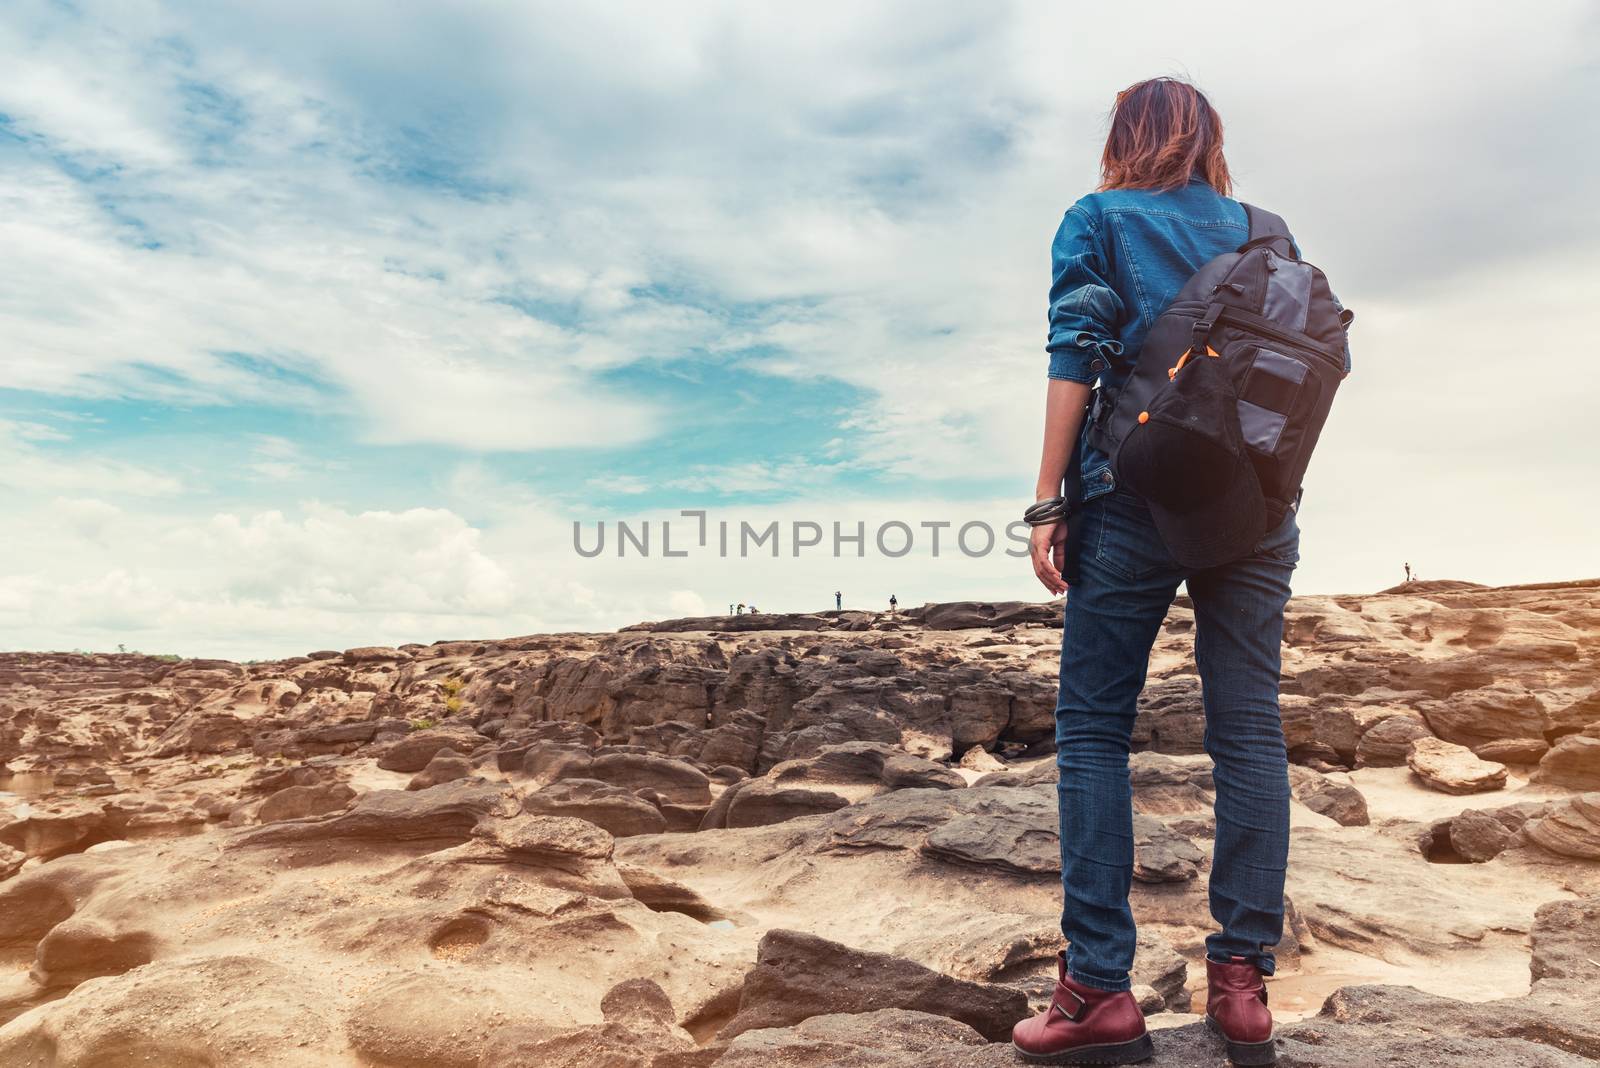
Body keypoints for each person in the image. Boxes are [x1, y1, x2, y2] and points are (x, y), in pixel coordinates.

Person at [1014, 78, 1325, 1067]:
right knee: (1247, 729)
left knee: (1095, 728)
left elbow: (1076, 350)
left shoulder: (1098, 218)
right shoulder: (1265, 231)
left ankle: (1098, 989)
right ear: (1207, 141)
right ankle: (1242, 987)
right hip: (1255, 506)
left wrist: (1049, 498)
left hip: (1131, 493)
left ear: (1124, 140)